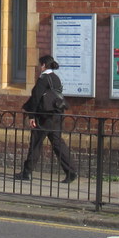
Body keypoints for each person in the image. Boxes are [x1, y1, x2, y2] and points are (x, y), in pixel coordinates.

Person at [13, 55, 77, 183]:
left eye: (39, 64)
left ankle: (27, 172)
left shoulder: (43, 79)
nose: (38, 67)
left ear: (43, 65)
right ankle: (71, 172)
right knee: (58, 143)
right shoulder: (56, 78)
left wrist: (31, 116)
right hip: (57, 115)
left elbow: (36, 98)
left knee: (36, 143)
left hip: (44, 117)